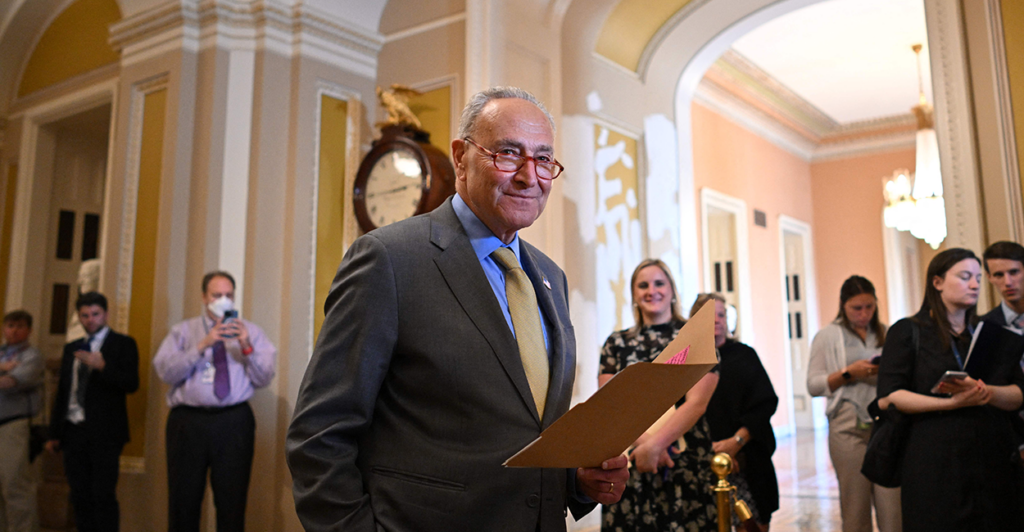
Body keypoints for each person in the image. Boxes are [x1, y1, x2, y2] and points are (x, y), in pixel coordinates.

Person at [286, 86, 629, 532]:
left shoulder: (550, 278)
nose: (530, 176)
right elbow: (319, 435)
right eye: (508, 154)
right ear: (460, 156)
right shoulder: (389, 260)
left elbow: (522, 428)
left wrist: (575, 478)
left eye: (544, 159)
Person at [877, 248, 1024, 531]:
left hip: (991, 462)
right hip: (934, 461)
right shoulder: (908, 331)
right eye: (965, 277)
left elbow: (1019, 392)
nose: (975, 285)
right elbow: (889, 396)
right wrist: (951, 403)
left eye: (979, 278)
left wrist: (985, 392)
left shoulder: (989, 331)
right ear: (937, 282)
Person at [599, 259, 719, 532]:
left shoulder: (696, 337)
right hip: (631, 459)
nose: (651, 290)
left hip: (685, 459)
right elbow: (608, 403)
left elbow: (697, 402)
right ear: (634, 295)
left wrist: (657, 446)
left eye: (659, 283)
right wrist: (645, 444)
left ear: (673, 290)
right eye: (643, 285)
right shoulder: (616, 343)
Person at [153, 270, 276, 532]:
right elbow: (165, 371)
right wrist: (202, 344)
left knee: (232, 503)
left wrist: (246, 346)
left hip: (233, 422)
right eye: (217, 295)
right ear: (204, 297)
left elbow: (264, 377)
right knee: (183, 501)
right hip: (188, 422)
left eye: (229, 295)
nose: (224, 300)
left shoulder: (250, 331)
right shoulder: (183, 331)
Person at [807, 276, 900, 532]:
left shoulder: (887, 332)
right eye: (856, 308)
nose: (864, 314)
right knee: (855, 507)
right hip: (847, 425)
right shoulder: (827, 336)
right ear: (842, 305)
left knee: (893, 507)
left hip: (885, 425)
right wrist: (849, 372)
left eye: (869, 307)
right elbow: (813, 385)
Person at [45, 292, 139, 532]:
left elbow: (132, 384)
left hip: (105, 433)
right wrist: (53, 432)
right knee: (79, 495)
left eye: (95, 314)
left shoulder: (123, 344)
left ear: (105, 314)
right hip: (73, 431)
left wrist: (103, 367)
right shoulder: (72, 349)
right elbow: (63, 392)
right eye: (85, 315)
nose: (91, 320)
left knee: (103, 495)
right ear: (79, 317)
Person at [699, 293, 779, 531]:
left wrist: (737, 442)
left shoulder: (745, 355)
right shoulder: (689, 361)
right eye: (710, 315)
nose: (717, 320)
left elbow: (765, 403)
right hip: (704, 460)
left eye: (722, 314)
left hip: (749, 457)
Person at [0, 310, 43, 532]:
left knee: (15, 486)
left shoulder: (31, 356)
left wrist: (7, 374)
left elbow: (11, 382)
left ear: (29, 330)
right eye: (9, 325)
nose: (13, 331)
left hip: (13, 424)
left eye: (19, 326)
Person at [981, 241, 1024, 329]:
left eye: (1014, 272)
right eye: (999, 275)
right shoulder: (984, 327)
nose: (1008, 282)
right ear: (989, 277)